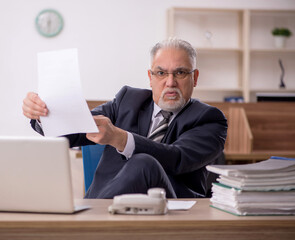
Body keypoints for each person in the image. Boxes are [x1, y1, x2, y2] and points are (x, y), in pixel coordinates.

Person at [22, 37, 227, 199]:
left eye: (180, 72)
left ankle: (86, 228)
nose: (170, 82)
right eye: (161, 73)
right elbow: (76, 130)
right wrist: (43, 114)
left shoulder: (209, 119)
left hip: (171, 209)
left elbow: (177, 159)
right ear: (150, 77)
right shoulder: (128, 100)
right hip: (107, 206)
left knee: (144, 163)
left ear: (195, 77)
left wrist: (121, 139)